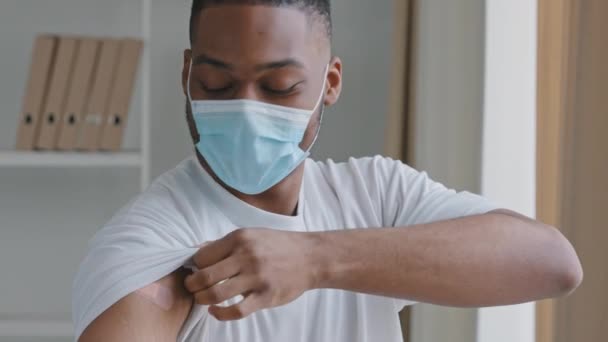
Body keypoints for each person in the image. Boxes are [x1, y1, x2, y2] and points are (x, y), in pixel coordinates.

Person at [73, 1, 583, 341]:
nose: (248, 110)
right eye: (217, 84)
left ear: (330, 82)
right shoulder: (148, 241)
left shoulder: (376, 194)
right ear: (187, 75)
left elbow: (553, 264)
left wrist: (315, 260)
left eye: (279, 88)